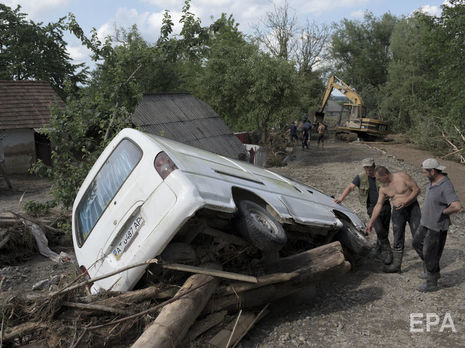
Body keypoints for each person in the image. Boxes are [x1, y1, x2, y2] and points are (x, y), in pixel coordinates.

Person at [412, 159, 462, 292]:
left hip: (436, 226)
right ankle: (432, 270)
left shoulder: (445, 185)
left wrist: (443, 212)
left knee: (430, 253)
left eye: (425, 172)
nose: (424, 174)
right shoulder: (432, 181)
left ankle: (432, 282)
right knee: (416, 244)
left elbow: (457, 206)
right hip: (425, 222)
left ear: (432, 171)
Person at [334, 158, 392, 264]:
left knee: (384, 230)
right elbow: (350, 187)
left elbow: (394, 185)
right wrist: (341, 198)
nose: (368, 170)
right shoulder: (360, 177)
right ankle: (388, 252)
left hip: (385, 206)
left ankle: (379, 249)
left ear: (374, 166)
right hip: (371, 207)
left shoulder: (382, 174)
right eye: (366, 167)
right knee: (379, 230)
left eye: (369, 167)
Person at [366, 166, 421, 273]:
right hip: (398, 212)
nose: (378, 181)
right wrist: (371, 222)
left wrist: (406, 202)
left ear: (386, 175)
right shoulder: (383, 188)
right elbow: (378, 205)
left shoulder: (402, 177)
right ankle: (396, 265)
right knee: (397, 237)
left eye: (379, 178)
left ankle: (428, 264)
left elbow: (417, 190)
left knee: (418, 236)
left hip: (412, 208)